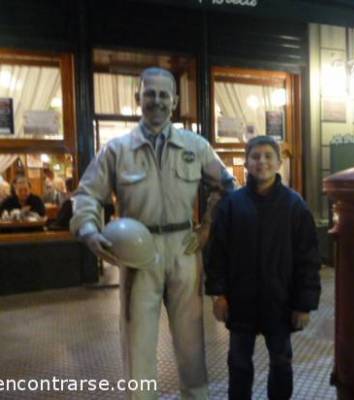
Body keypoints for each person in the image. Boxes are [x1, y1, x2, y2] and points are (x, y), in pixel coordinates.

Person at [70, 67, 234, 400]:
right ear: (137, 98)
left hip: (184, 250)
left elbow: (228, 187)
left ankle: (196, 396)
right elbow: (86, 195)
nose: (156, 101)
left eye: (163, 95)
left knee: (190, 338)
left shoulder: (195, 146)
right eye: (150, 94)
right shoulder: (116, 150)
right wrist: (88, 229)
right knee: (137, 337)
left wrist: (207, 227)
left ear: (174, 101)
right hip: (136, 252)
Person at [205, 136, 321, 400]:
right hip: (240, 301)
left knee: (281, 363)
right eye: (256, 156)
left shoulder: (294, 206)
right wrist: (218, 295)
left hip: (280, 301)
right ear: (246, 163)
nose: (262, 162)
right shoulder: (232, 205)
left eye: (269, 156)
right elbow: (217, 254)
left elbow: (308, 259)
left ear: (279, 162)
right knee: (238, 364)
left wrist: (303, 304)